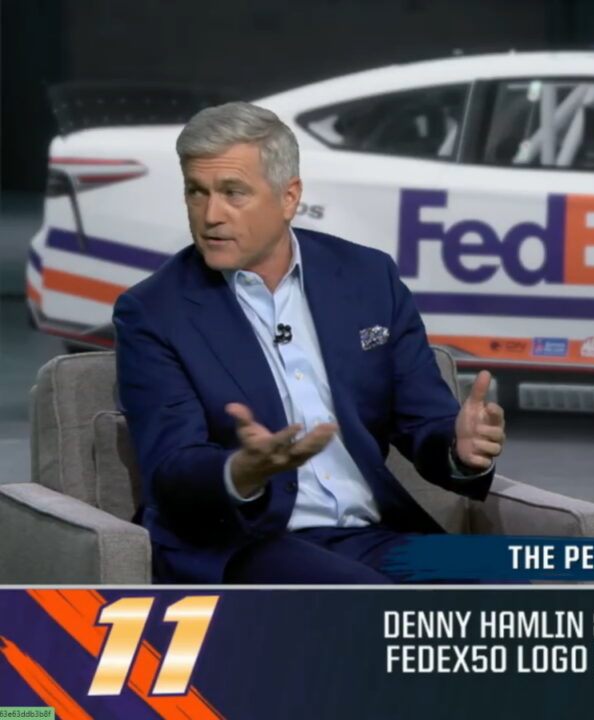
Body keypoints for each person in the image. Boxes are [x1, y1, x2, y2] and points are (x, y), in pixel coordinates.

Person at [114, 102, 506, 584]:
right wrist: (242, 470)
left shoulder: (368, 278)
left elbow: (423, 421)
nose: (211, 215)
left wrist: (459, 449)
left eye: (233, 192)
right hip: (246, 541)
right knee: (372, 607)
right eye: (197, 192)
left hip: (372, 535)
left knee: (509, 593)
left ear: (288, 197)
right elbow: (170, 469)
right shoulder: (155, 311)